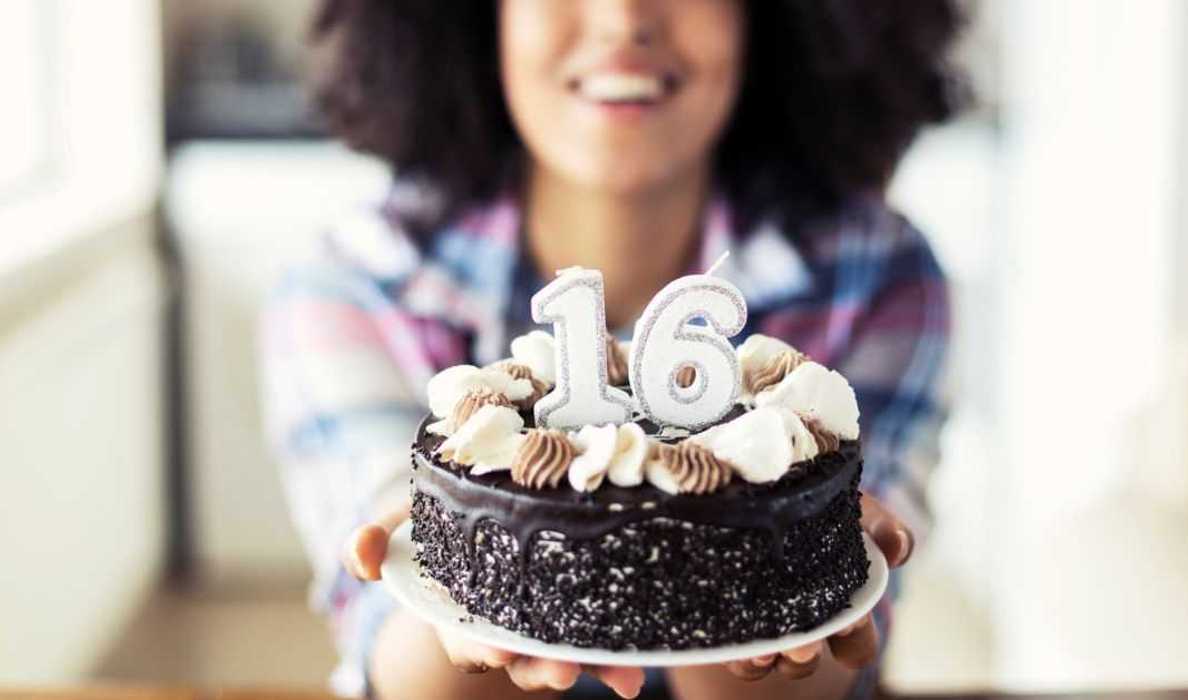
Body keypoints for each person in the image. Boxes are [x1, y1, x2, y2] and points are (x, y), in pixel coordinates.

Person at [263, 1, 963, 698]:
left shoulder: (877, 275)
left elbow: (819, 675)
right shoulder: (357, 282)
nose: (622, 17)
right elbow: (404, 661)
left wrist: (780, 555)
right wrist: (455, 587)